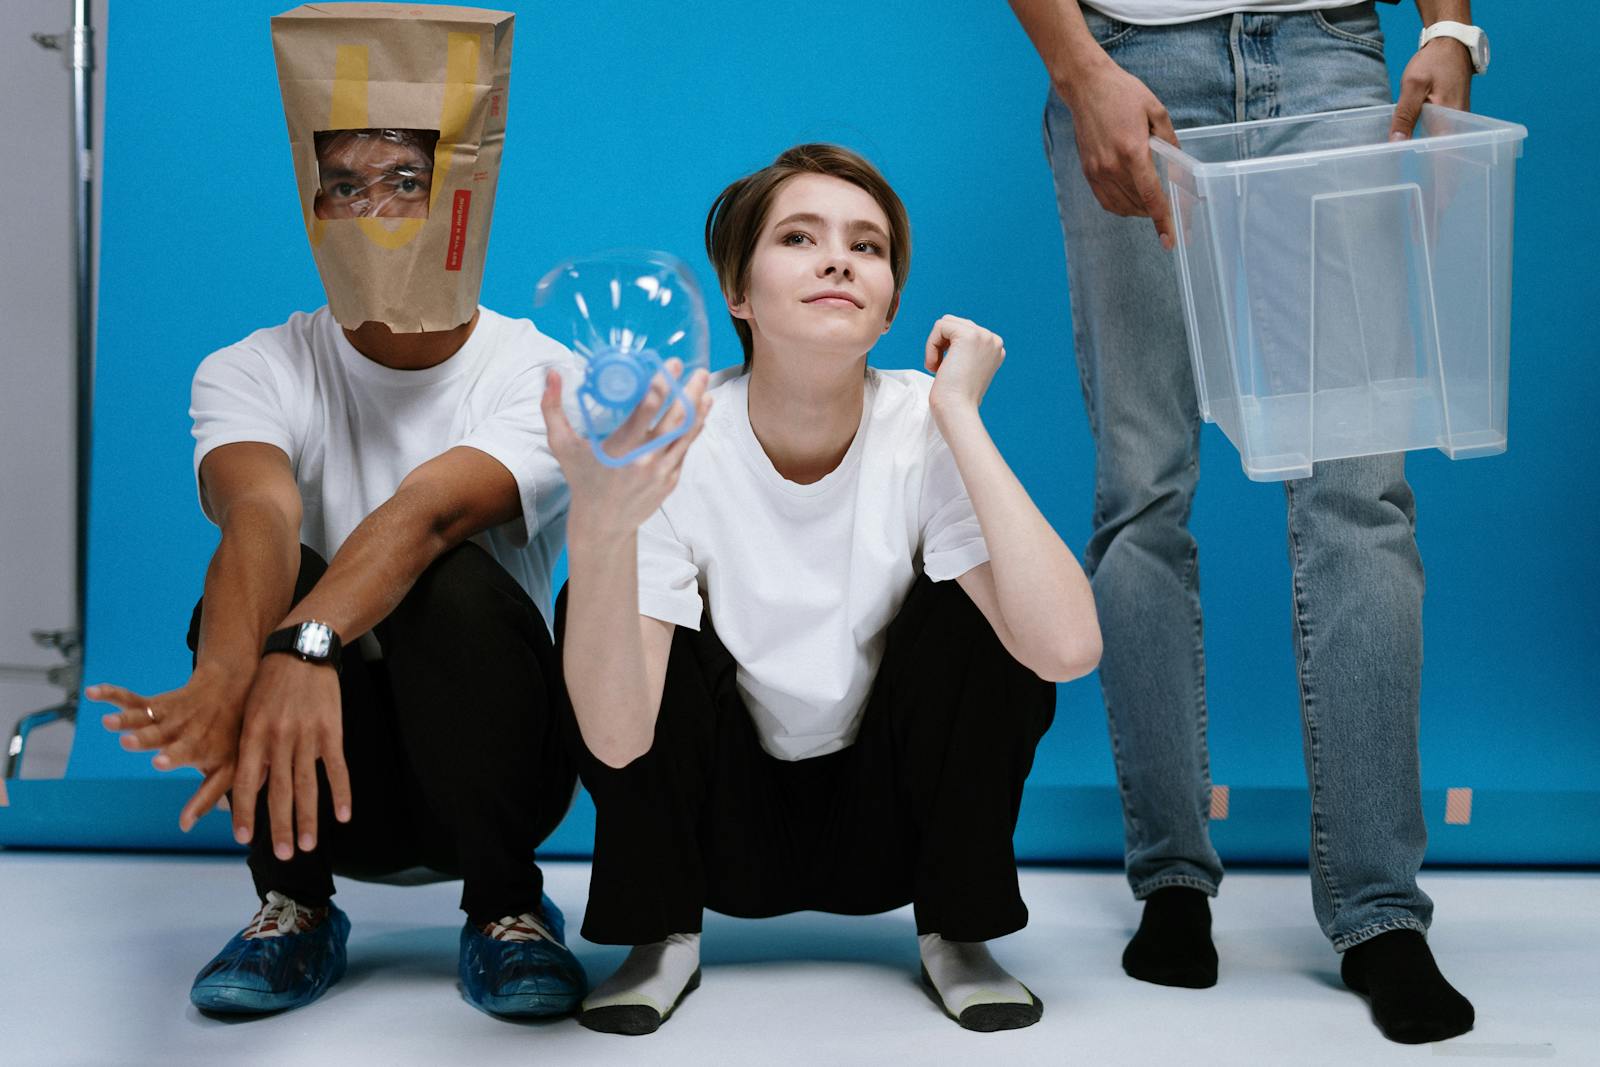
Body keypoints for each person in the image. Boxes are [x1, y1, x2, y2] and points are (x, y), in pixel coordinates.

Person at [1007, 0, 1484, 1044]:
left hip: (1328, 50)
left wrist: (1450, 29)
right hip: (1128, 60)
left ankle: (1379, 912)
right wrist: (1077, 67)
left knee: (1358, 487)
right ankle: (1170, 876)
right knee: (1141, 484)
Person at [545, 143, 1102, 1036]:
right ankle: (659, 936)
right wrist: (600, 529)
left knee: (984, 603)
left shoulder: (920, 420)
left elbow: (1066, 648)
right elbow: (616, 738)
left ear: (887, 306)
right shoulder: (678, 439)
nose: (839, 258)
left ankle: (959, 932)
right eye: (799, 237)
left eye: (868, 247)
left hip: (888, 814)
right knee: (600, 598)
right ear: (739, 294)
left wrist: (959, 415)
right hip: (722, 819)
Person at [88, 120, 586, 1018]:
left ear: (460, 207)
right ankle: (295, 905)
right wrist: (228, 673)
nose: (375, 208)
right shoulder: (251, 366)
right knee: (260, 576)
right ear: (315, 212)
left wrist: (303, 642)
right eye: (345, 186)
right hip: (316, 776)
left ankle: (509, 906)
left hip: (499, 772)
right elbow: (261, 513)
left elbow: (425, 514)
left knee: (453, 580)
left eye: (406, 179)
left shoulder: (545, 374)